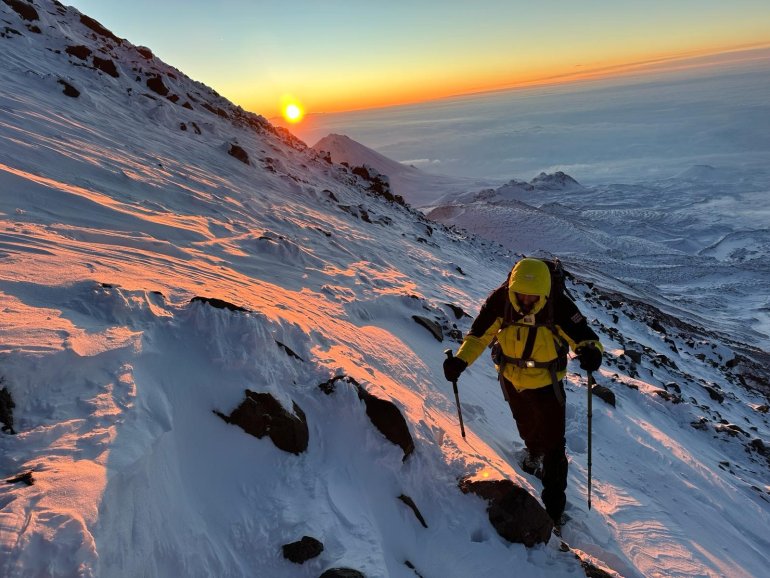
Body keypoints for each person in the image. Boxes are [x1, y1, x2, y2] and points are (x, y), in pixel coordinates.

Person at [443, 258, 602, 524]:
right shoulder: (501, 300)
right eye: (521, 294)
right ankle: (532, 452)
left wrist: (591, 353)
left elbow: (585, 337)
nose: (526, 300)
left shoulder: (557, 304)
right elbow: (478, 335)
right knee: (525, 423)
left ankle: (553, 509)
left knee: (555, 447)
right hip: (511, 379)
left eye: (533, 296)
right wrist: (460, 361)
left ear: (544, 292)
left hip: (548, 384)